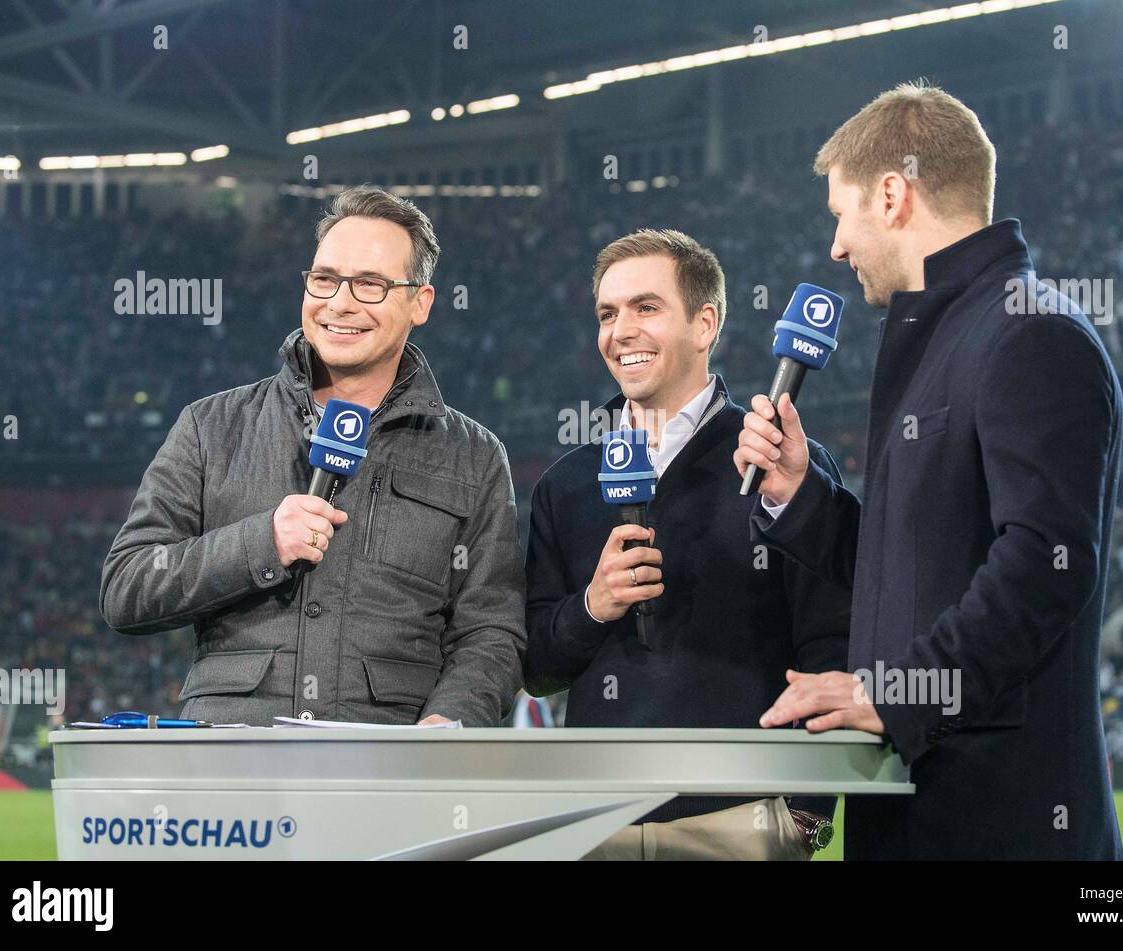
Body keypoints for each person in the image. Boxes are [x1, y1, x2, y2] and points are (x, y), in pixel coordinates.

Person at [736, 82, 1123, 859]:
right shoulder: (947, 339)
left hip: (1004, 821)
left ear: (892, 194)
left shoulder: (1030, 331)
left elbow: (1046, 561)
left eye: (841, 215)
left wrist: (894, 691)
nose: (837, 247)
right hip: (923, 812)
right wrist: (803, 493)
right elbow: (912, 565)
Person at [100, 185, 525, 727]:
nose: (339, 303)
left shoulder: (476, 456)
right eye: (325, 279)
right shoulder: (210, 426)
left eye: (370, 285)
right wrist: (263, 541)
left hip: (389, 764)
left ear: (421, 302)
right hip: (232, 759)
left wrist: (450, 721)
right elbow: (127, 587)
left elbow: (492, 629)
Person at [525, 229, 851, 859]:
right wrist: (591, 606)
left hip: (742, 816)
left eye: (646, 307)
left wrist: (807, 810)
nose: (621, 330)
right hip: (596, 815)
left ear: (705, 324)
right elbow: (536, 665)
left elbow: (832, 634)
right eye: (607, 313)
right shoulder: (565, 484)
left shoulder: (776, 461)